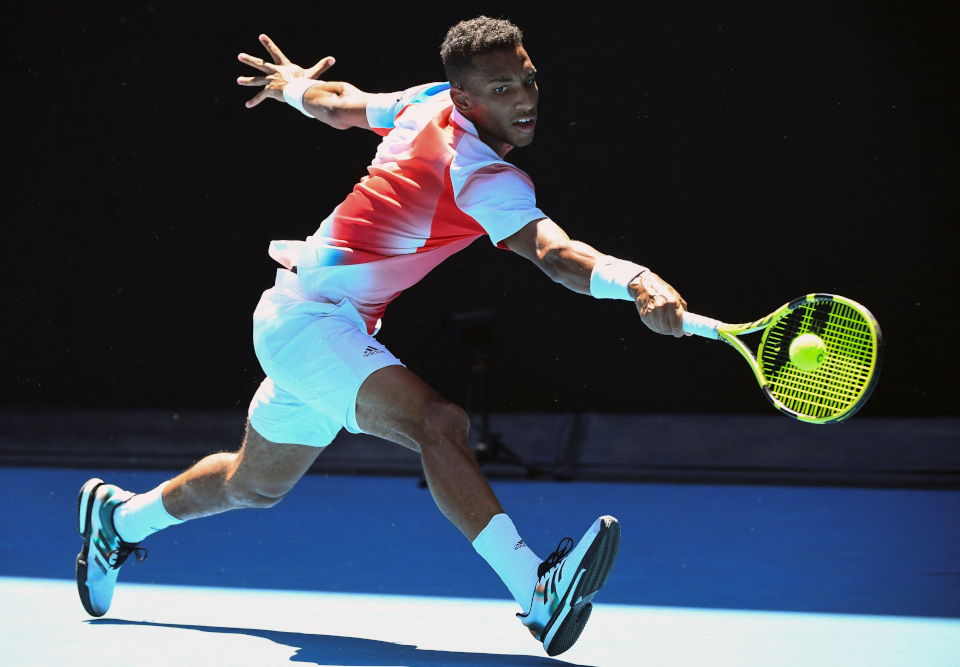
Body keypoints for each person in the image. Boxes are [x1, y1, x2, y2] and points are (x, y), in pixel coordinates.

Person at [75, 16, 689, 657]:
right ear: (464, 99)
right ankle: (537, 591)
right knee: (438, 422)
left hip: (318, 325)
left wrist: (291, 88)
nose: (526, 100)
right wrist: (635, 279)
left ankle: (116, 518)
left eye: (529, 81)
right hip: (307, 320)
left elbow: (341, 105)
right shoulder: (480, 173)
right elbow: (554, 253)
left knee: (251, 486)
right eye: (503, 88)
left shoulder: (427, 104)